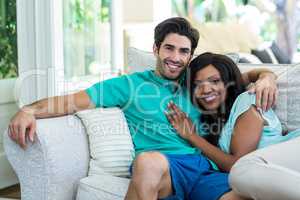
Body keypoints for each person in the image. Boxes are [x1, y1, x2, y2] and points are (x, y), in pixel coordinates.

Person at [9, 17, 277, 200]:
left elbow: (248, 76)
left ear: (190, 56)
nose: (175, 58)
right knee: (147, 162)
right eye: (169, 48)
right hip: (159, 169)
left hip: (202, 167)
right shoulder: (128, 85)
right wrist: (29, 110)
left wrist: (267, 77)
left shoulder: (199, 80)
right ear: (156, 49)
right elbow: (70, 101)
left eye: (183, 52)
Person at [166, 52, 300, 199]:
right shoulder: (218, 119)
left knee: (239, 175)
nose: (206, 90)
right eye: (198, 84)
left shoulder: (246, 100)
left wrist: (192, 136)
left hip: (294, 151)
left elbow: (237, 164)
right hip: (280, 171)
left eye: (215, 81)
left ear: (228, 84)